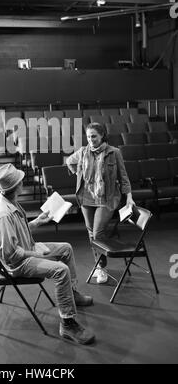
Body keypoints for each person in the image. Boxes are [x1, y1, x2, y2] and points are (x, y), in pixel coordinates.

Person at [0, 163, 95, 345]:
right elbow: (10, 255)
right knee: (61, 271)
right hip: (18, 264)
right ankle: (67, 323)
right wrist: (36, 254)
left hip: (25, 249)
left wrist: (38, 221)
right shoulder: (4, 214)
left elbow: (17, 233)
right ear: (17, 186)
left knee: (66, 248)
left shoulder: (9, 200)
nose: (23, 182)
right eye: (21, 181)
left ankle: (72, 293)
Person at [66, 122, 135, 284]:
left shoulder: (114, 152)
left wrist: (129, 196)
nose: (91, 139)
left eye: (94, 136)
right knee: (91, 234)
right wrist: (79, 173)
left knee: (98, 234)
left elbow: (123, 177)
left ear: (102, 135)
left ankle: (102, 267)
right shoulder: (83, 152)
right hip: (86, 198)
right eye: (88, 136)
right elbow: (69, 161)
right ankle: (99, 265)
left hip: (107, 198)